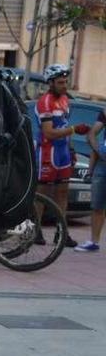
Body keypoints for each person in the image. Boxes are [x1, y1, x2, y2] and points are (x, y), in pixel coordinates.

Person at [35, 63, 90, 248]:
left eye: (66, 82)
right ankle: (36, 231)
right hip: (47, 153)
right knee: (42, 193)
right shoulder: (45, 101)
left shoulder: (65, 100)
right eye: (60, 82)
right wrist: (74, 129)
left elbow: (64, 125)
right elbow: (49, 132)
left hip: (63, 152)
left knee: (63, 192)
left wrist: (72, 149)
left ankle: (62, 233)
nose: (64, 86)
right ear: (50, 83)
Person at [77, 108, 106, 252]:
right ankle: (94, 242)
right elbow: (92, 134)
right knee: (97, 205)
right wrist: (99, 151)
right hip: (103, 163)